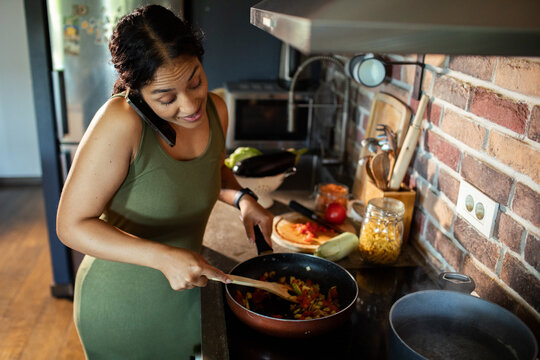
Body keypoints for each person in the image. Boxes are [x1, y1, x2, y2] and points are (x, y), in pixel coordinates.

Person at [56, 5, 274, 359]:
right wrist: (163, 257)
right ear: (139, 90)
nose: (189, 105)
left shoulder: (216, 109)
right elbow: (70, 225)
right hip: (123, 308)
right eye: (166, 97)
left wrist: (243, 200)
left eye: (195, 81)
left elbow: (209, 172)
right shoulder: (121, 121)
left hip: (189, 292)